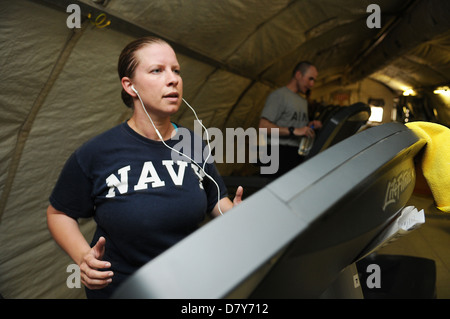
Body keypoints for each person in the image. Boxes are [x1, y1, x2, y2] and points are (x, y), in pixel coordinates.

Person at [46, 36, 243, 299]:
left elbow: (215, 201)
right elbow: (59, 213)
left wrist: (238, 215)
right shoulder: (97, 153)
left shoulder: (192, 144)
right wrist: (83, 257)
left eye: (176, 71)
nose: (173, 79)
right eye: (157, 70)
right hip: (122, 291)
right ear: (130, 86)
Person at [259, 61, 322, 177]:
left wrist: (310, 125)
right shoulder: (279, 96)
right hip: (277, 153)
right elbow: (263, 126)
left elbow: (298, 126)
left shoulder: (303, 101)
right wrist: (293, 130)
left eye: (314, 80)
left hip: (295, 154)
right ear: (298, 75)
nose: (312, 84)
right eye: (310, 79)